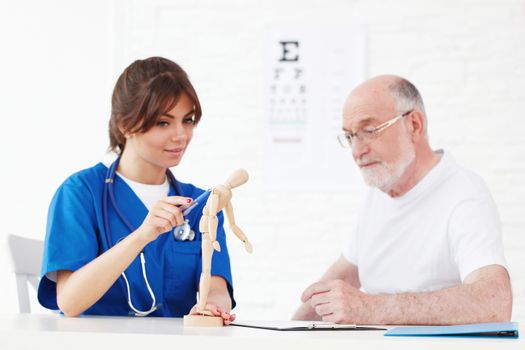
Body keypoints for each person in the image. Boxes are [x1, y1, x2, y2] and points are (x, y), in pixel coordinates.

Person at [293, 75, 512, 325]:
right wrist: (283, 334)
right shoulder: (378, 190)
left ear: (414, 125)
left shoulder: (464, 193)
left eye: (369, 130)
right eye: (351, 136)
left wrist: (370, 308)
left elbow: (494, 303)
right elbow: (342, 277)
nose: (357, 151)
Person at [38, 57, 236, 324]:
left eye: (187, 120)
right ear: (125, 125)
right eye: (163, 123)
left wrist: (212, 307)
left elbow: (216, 288)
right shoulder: (81, 193)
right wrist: (143, 235)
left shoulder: (202, 203)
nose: (181, 135)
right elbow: (69, 302)